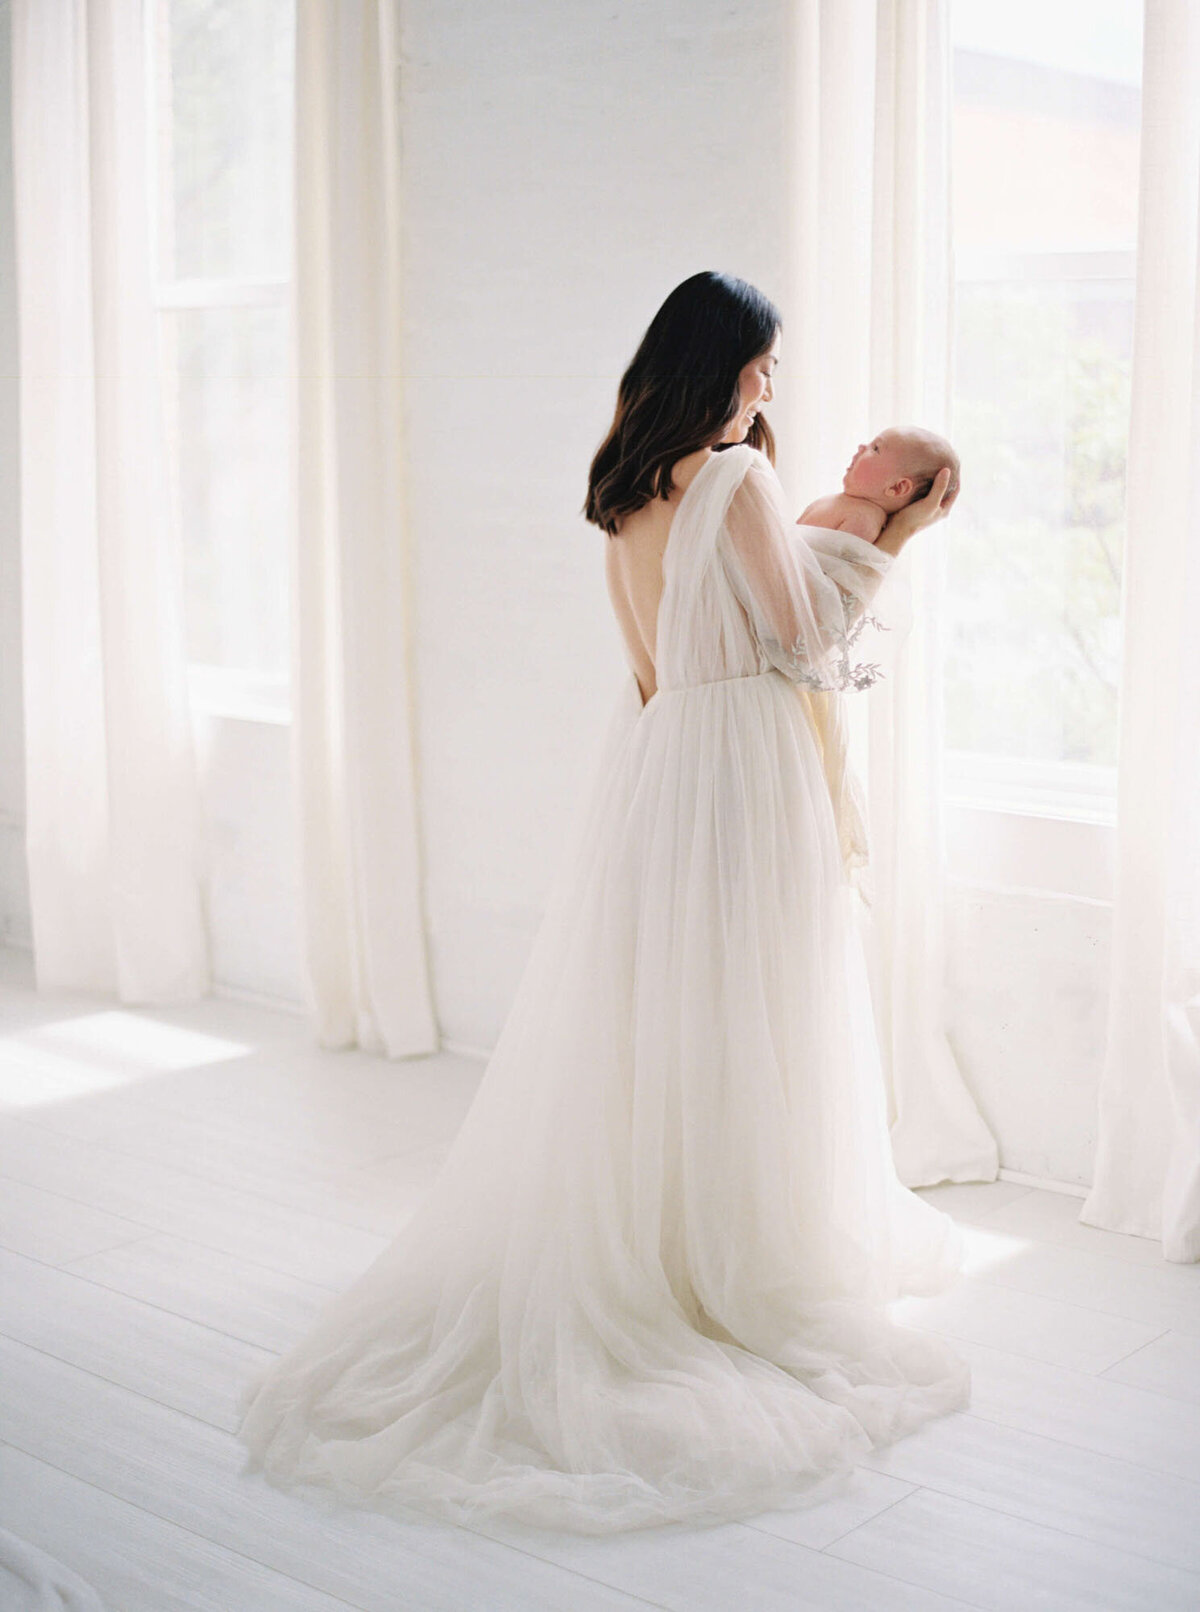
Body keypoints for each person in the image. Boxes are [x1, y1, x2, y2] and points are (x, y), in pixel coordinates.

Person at [235, 270, 970, 1536]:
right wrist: (885, 552)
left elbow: (644, 652)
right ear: (728, 364)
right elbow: (800, 637)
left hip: (655, 747)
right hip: (739, 755)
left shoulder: (627, 474)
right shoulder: (733, 479)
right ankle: (729, 1251)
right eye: (765, 367)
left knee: (659, 1004)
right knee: (753, 998)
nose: (775, 389)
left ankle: (661, 1222)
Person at [798, 425, 962, 543]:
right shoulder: (841, 502)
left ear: (897, 488)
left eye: (875, 448)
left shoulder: (864, 519)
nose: (862, 447)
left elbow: (842, 584)